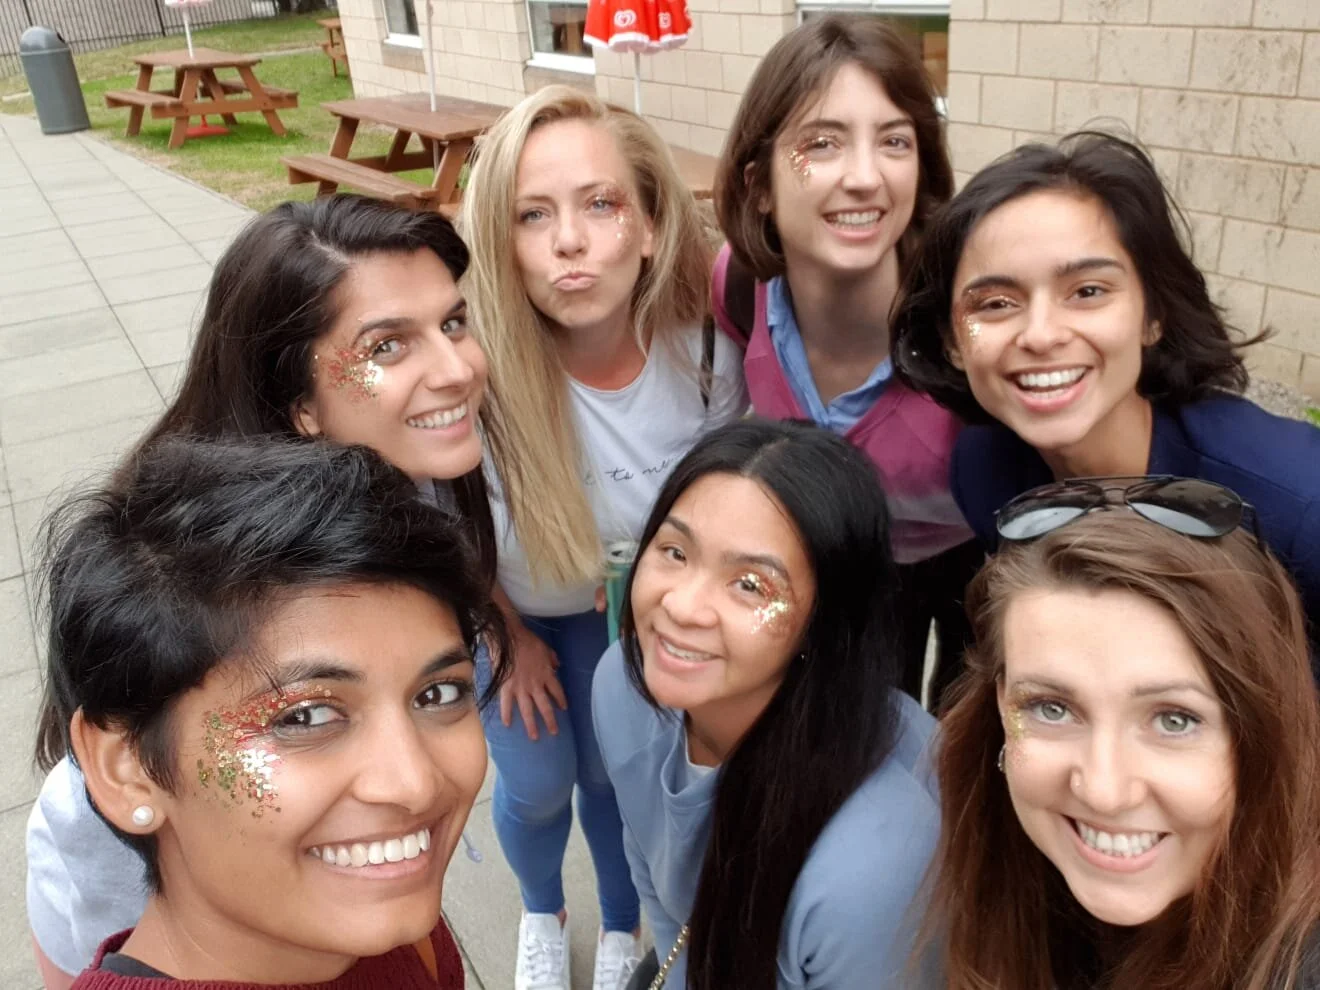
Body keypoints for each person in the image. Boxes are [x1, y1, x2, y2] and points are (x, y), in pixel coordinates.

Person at [27, 194, 498, 989]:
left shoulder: (421, 486)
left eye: (453, 323)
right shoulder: (192, 595)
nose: (458, 368)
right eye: (388, 344)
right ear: (300, 405)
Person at [461, 86, 748, 990]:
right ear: (501, 243)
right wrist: (504, 633)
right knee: (539, 780)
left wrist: (656, 577)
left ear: (652, 227)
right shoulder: (475, 368)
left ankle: (622, 924)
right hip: (504, 604)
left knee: (613, 775)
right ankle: (542, 911)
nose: (570, 242)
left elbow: (718, 505)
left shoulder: (704, 360)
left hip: (611, 608)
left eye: (600, 204)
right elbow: (437, 521)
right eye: (532, 215)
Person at [45, 435, 508, 987]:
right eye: (306, 717)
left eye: (437, 694)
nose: (414, 784)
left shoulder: (394, 927)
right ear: (128, 770)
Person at [891, 131, 1320, 659]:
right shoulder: (985, 473)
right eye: (996, 304)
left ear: (1153, 314)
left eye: (1088, 292)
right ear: (952, 343)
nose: (1042, 334)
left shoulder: (1297, 504)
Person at [924, 481, 1320, 989]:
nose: (1104, 792)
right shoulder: (1002, 875)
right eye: (1051, 708)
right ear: (1002, 707)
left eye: (1174, 719)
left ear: (1264, 731)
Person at [593, 419, 942, 990]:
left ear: (822, 625)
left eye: (751, 585)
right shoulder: (621, 688)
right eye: (675, 551)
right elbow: (658, 881)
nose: (682, 606)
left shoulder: (875, 863)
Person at [710, 14, 979, 709]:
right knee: (861, 730)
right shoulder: (738, 291)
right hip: (849, 553)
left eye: (894, 141)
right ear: (759, 184)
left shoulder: (966, 326)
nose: (865, 177)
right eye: (821, 144)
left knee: (969, 745)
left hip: (979, 560)